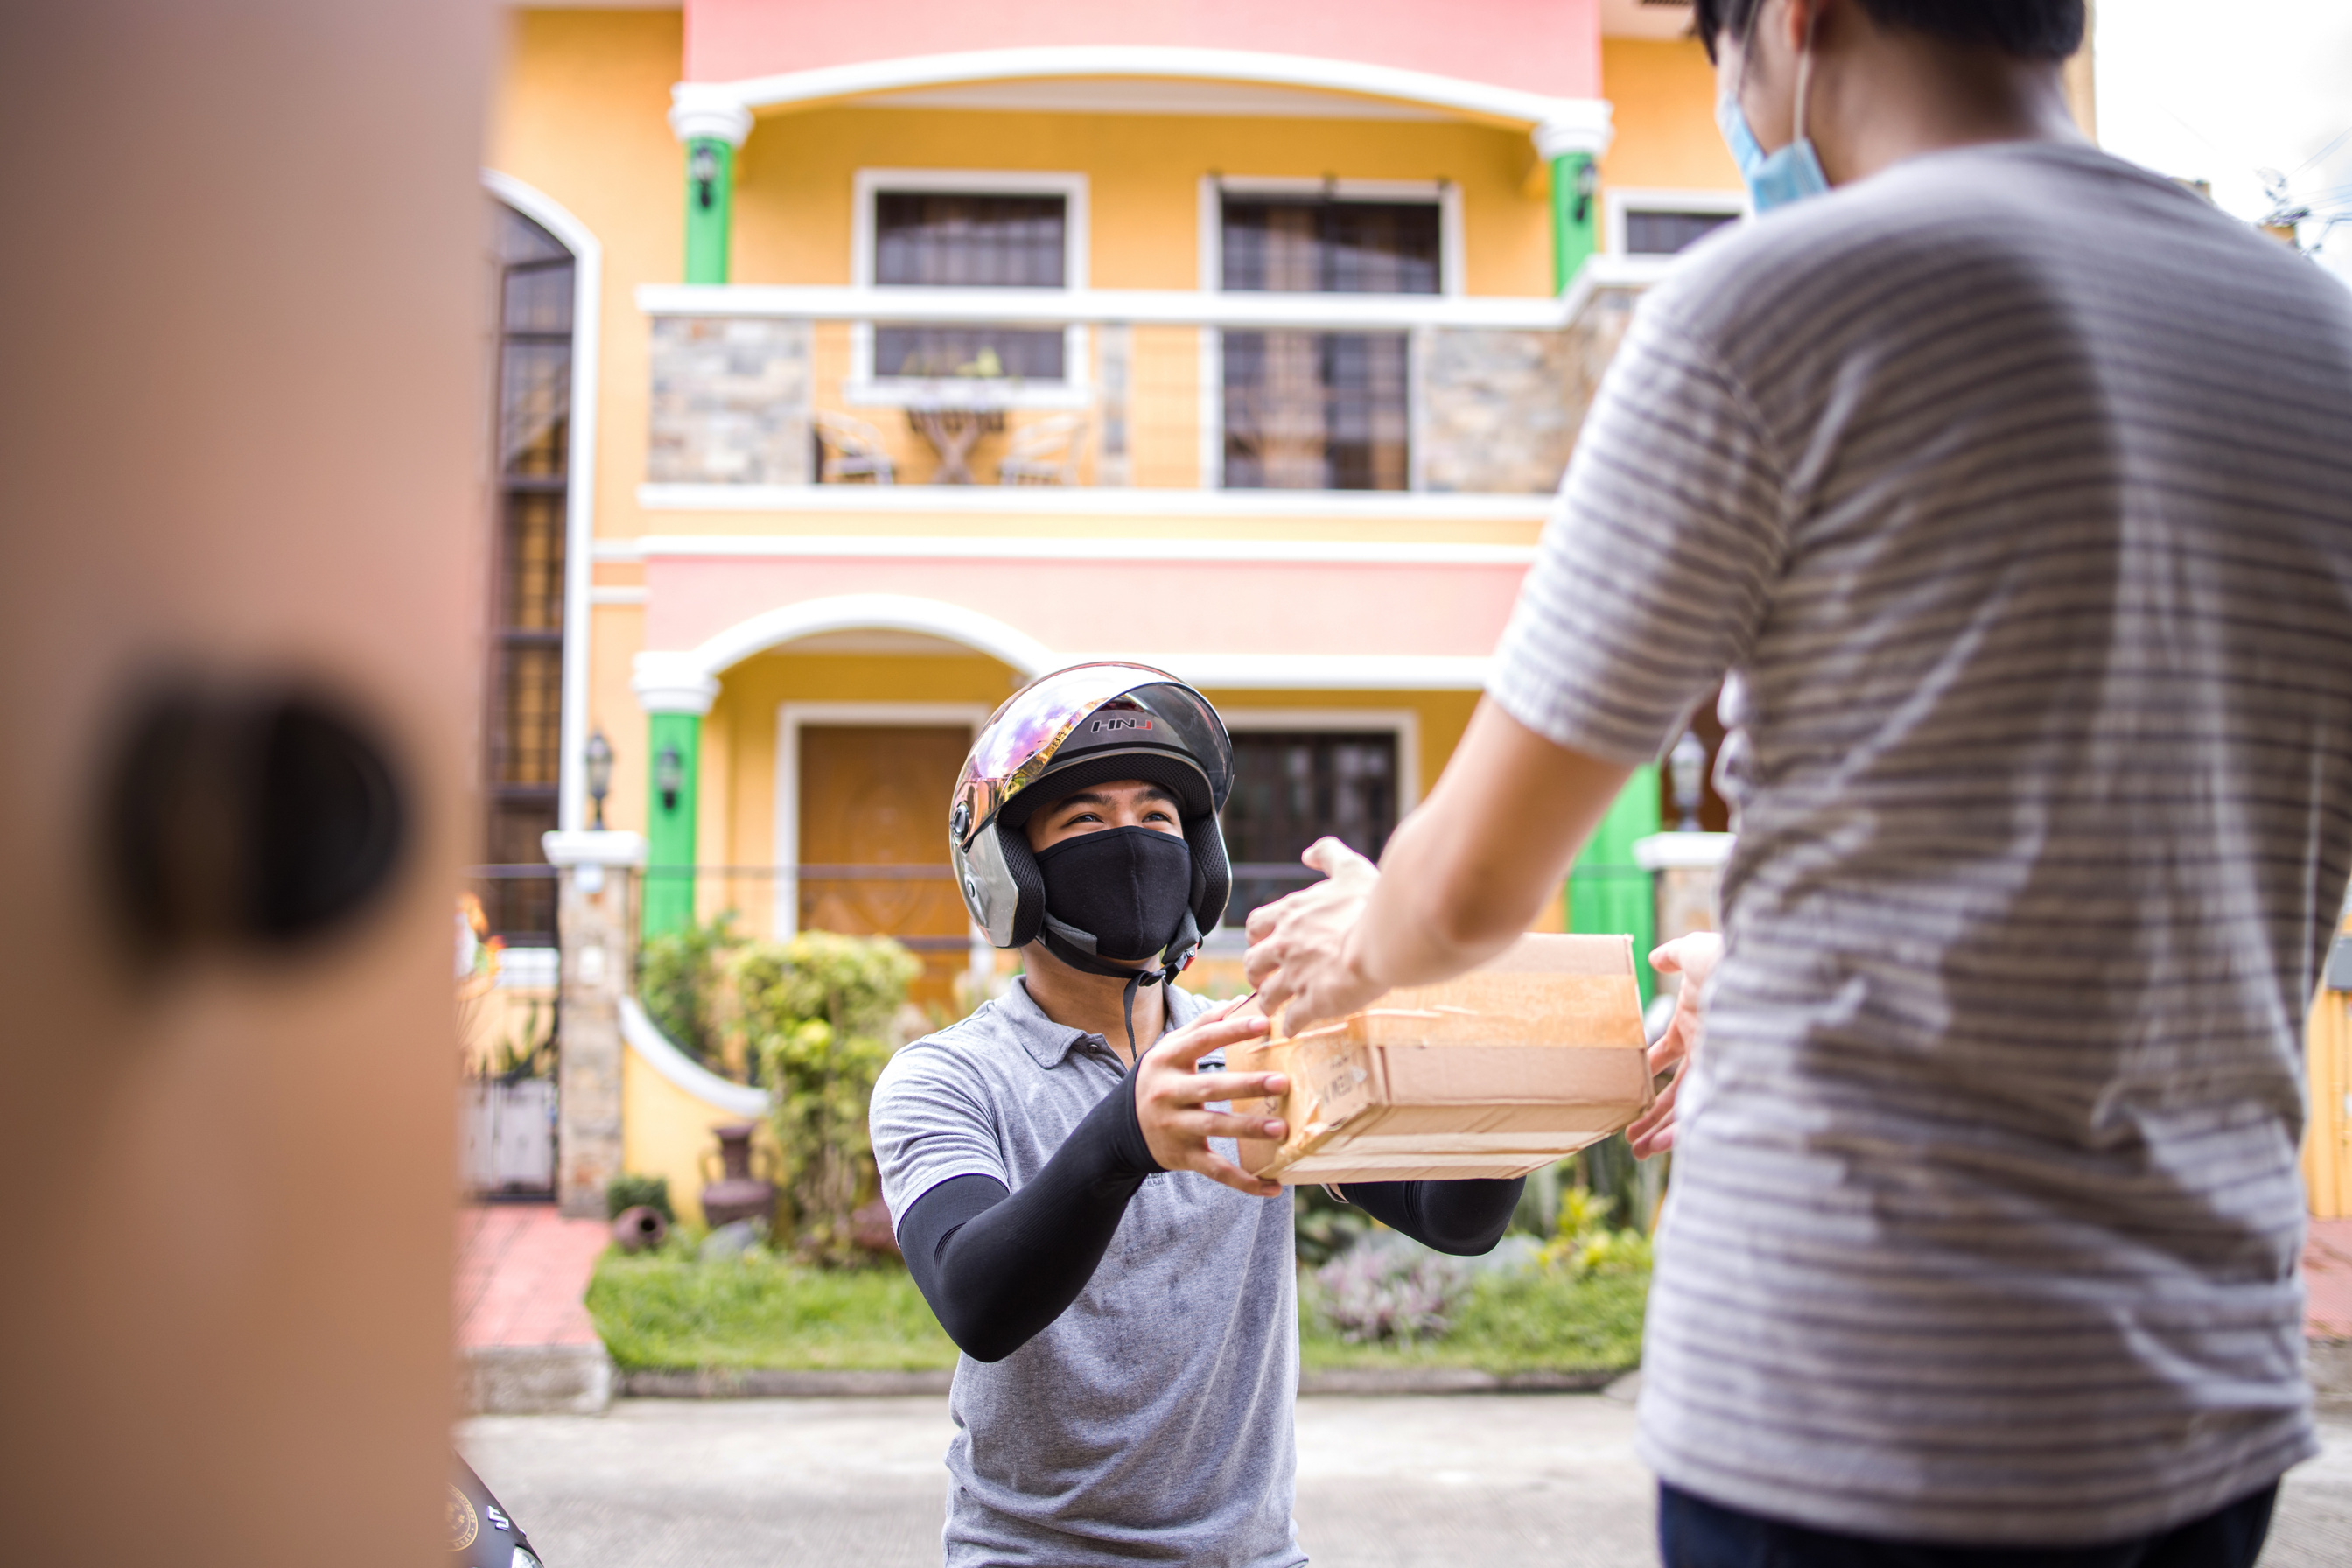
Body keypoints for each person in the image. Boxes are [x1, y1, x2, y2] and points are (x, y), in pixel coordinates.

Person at [1242, 0, 2352, 1562]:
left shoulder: (1772, 305)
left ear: (1787, 24)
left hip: (1856, 1386)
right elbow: (2155, 868)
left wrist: (1347, 942)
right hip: (2193, 1383)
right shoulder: (2312, 335)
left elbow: (1477, 878)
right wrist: (1763, 967)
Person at [868, 662, 1523, 1567]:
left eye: (1159, 816)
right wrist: (1124, 1139)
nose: (1132, 841)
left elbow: (1456, 1218)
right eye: (1087, 820)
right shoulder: (948, 1077)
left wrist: (1506, 1059)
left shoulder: (1256, 1046)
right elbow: (978, 1301)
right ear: (1010, 870)